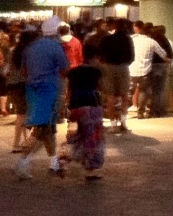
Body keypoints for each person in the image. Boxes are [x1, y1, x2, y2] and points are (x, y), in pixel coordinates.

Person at [15, 16, 69, 179]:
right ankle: (23, 161)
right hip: (50, 90)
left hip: (32, 90)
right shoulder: (56, 47)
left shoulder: (29, 48)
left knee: (49, 129)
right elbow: (65, 69)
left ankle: (54, 162)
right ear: (56, 32)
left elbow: (23, 72)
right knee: (43, 128)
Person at [61, 44, 106, 180]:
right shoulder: (96, 72)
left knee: (74, 137)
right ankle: (90, 170)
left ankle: (63, 160)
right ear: (96, 57)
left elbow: (68, 91)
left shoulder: (73, 72)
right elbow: (101, 88)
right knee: (92, 138)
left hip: (74, 108)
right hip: (91, 108)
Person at [99, 18, 135, 132]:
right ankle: (123, 122)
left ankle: (113, 124)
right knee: (124, 95)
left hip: (109, 67)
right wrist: (126, 63)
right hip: (123, 67)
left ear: (115, 26)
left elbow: (100, 53)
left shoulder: (107, 39)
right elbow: (132, 56)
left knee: (110, 96)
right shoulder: (128, 39)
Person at [7, 25, 38, 152]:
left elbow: (9, 68)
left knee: (22, 114)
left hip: (13, 85)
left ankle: (22, 142)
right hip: (25, 85)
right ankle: (18, 143)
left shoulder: (13, 51)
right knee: (24, 115)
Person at [128, 21, 168, 119]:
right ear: (149, 33)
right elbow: (163, 54)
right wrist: (167, 61)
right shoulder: (152, 42)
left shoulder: (132, 40)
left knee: (129, 92)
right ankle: (140, 112)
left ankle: (122, 112)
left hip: (132, 69)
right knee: (143, 91)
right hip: (145, 71)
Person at [149, 25, 173, 117]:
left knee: (154, 90)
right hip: (163, 66)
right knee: (161, 89)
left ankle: (153, 110)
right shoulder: (165, 40)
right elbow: (170, 55)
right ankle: (161, 110)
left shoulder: (152, 40)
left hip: (152, 66)